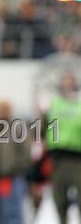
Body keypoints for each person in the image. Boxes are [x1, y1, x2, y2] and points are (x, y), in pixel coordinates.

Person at [43, 72, 81, 224]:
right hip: (57, 158)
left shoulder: (79, 104)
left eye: (70, 83)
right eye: (65, 84)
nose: (67, 87)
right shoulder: (52, 104)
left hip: (77, 157)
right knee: (59, 197)